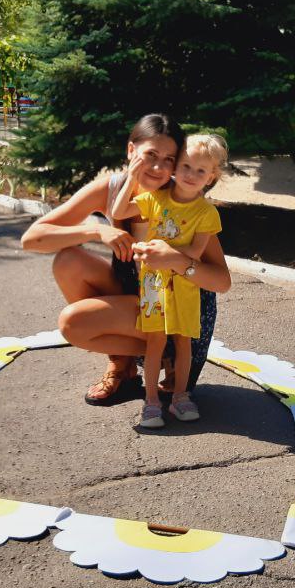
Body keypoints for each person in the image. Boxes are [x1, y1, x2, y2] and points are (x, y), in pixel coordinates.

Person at [19, 114, 232, 405]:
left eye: (170, 159)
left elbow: (221, 281)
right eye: (150, 155)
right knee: (68, 261)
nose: (159, 168)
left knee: (74, 323)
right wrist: (96, 230)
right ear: (131, 151)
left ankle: (170, 354)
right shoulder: (111, 189)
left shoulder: (183, 200)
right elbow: (32, 239)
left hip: (179, 312)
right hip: (142, 296)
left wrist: (176, 260)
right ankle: (123, 367)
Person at [109, 134, 227, 428]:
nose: (191, 175)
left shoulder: (206, 213)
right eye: (186, 166)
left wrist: (164, 254)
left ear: (212, 176)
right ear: (176, 166)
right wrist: (132, 176)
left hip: (186, 288)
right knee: (154, 343)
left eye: (201, 171)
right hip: (153, 287)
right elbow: (119, 212)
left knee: (183, 343)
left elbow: (195, 253)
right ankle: (151, 402)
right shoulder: (156, 199)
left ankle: (180, 397)